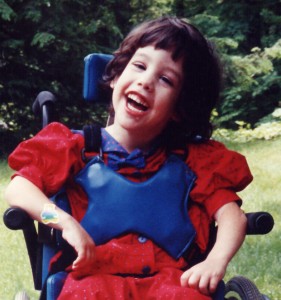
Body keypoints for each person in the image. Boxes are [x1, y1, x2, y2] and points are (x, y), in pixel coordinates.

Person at [5, 16, 253, 299]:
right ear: (115, 77)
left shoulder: (194, 161)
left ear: (179, 108)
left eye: (165, 79)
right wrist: (63, 221)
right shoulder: (74, 148)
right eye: (139, 65)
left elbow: (232, 216)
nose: (146, 81)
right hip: (92, 278)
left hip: (172, 283)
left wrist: (216, 260)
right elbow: (19, 187)